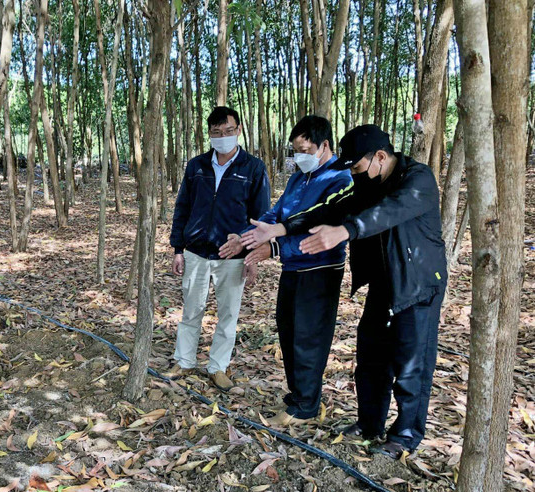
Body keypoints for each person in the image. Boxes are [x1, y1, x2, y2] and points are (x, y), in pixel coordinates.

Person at [241, 124, 446, 459]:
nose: (354, 173)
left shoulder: (417, 180)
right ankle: (369, 424)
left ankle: (405, 436)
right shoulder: (368, 182)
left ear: (380, 156)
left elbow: (388, 213)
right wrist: (281, 228)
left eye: (357, 166)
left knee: (411, 364)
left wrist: (345, 232)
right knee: (370, 359)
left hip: (418, 285)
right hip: (383, 284)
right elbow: (330, 210)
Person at [219, 115, 352, 426]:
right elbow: (277, 214)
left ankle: (306, 406)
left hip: (319, 268)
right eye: (296, 150)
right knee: (289, 329)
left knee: (309, 335)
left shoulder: (339, 180)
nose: (300, 156)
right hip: (292, 267)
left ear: (325, 146)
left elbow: (316, 230)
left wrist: (274, 248)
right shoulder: (298, 178)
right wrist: (245, 236)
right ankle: (298, 393)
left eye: (305, 149)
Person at [169, 106, 270, 391]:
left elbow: (261, 217)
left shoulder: (253, 168)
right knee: (191, 310)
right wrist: (178, 248)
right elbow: (183, 207)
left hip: (233, 255)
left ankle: (218, 367)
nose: (223, 137)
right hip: (196, 251)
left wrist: (251, 254)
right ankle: (185, 360)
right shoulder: (196, 166)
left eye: (228, 131)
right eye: (216, 133)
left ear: (238, 130)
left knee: (228, 314)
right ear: (209, 135)